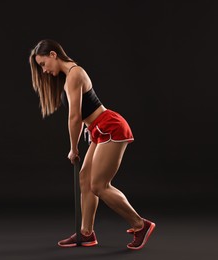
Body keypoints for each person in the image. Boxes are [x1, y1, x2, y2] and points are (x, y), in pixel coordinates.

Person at [28, 39, 155, 250]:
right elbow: (82, 116)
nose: (43, 70)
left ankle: (140, 225)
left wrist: (73, 148)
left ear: (53, 55)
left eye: (43, 64)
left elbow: (75, 117)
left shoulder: (74, 74)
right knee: (85, 179)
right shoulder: (70, 75)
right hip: (99, 129)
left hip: (110, 127)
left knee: (99, 185)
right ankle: (86, 233)